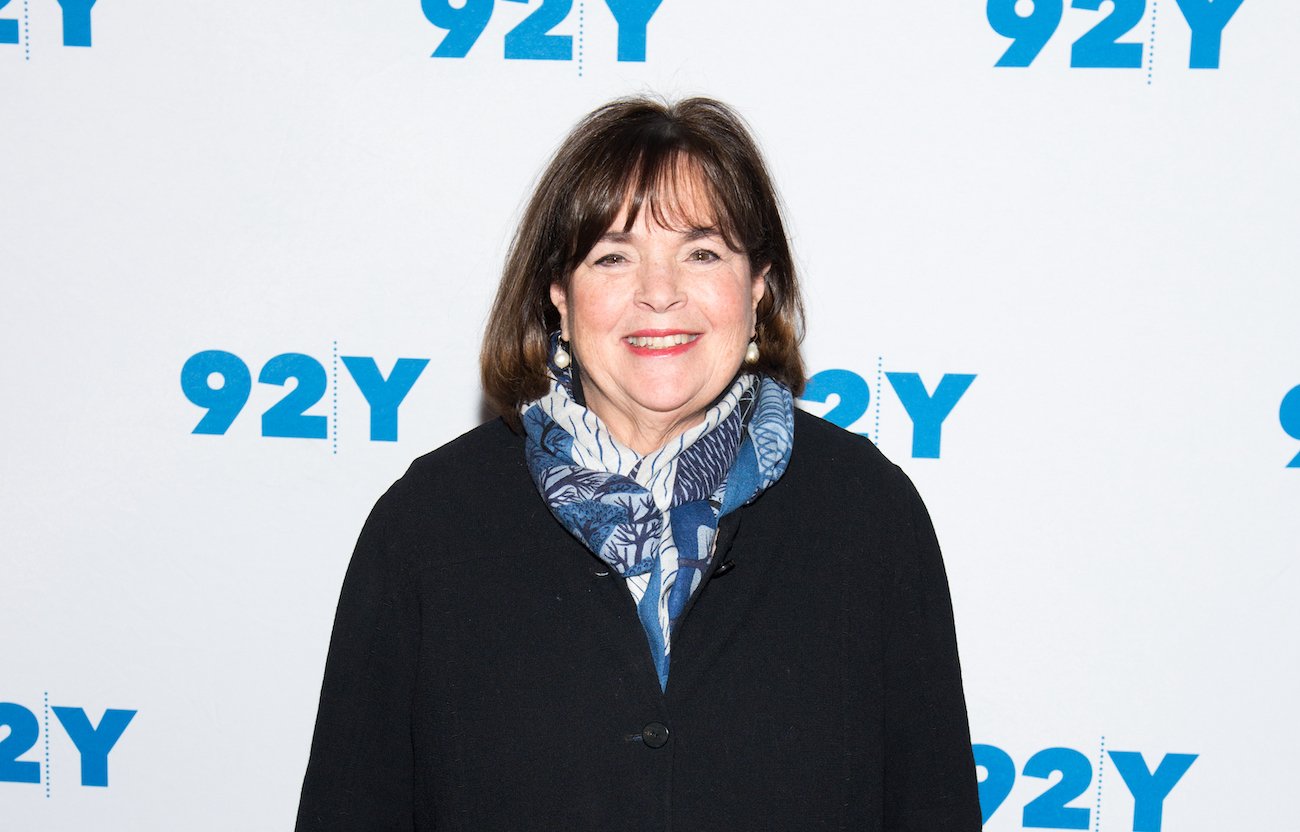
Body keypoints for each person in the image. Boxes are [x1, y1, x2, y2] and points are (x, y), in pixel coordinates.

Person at [295, 96, 981, 831]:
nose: (660, 293)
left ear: (757, 286)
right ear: (558, 293)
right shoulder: (428, 527)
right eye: (614, 256)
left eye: (702, 252)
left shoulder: (868, 516)